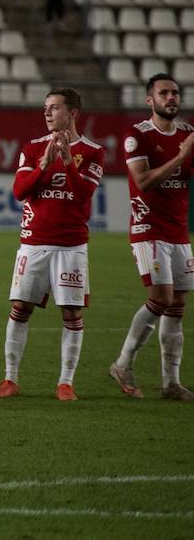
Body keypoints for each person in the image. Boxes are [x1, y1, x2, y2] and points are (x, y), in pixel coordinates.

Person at [0, 88, 105, 401]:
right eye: (45, 108)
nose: (47, 113)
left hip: (71, 245)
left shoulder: (93, 152)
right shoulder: (32, 148)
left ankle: (65, 383)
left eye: (54, 108)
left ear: (72, 113)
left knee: (71, 313)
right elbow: (20, 191)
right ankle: (10, 378)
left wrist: (67, 161)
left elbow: (82, 195)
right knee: (20, 308)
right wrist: (44, 164)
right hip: (34, 243)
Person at [110, 73, 194, 401]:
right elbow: (144, 181)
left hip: (178, 232)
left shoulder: (187, 134)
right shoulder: (138, 135)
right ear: (151, 100)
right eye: (164, 93)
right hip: (149, 230)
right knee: (161, 298)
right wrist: (181, 156)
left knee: (177, 306)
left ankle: (170, 383)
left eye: (175, 92)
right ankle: (122, 363)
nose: (171, 98)